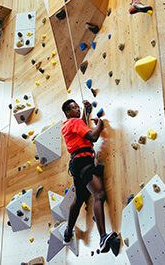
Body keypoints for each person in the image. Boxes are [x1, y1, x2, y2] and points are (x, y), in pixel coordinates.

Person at [61, 99, 117, 253]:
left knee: (79, 200)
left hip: (76, 163)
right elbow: (92, 137)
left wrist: (85, 112)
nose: (77, 109)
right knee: (99, 194)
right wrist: (100, 123)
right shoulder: (75, 122)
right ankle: (103, 237)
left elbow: (82, 129)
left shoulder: (67, 125)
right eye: (74, 108)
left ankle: (67, 233)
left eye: (78, 107)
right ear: (67, 112)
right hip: (84, 161)